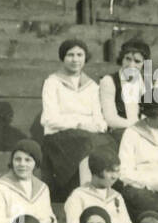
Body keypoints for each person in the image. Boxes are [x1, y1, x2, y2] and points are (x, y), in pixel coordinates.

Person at [40, 39, 111, 199]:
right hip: (58, 137)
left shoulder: (92, 86)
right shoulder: (52, 82)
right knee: (86, 142)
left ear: (85, 58)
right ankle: (87, 194)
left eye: (80, 55)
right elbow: (49, 118)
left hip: (86, 135)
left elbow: (99, 121)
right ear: (63, 58)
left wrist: (94, 125)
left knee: (106, 142)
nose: (75, 59)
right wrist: (79, 123)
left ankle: (102, 194)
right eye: (70, 55)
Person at [98, 39, 150, 134]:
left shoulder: (145, 83)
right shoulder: (109, 81)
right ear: (122, 59)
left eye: (137, 61)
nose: (131, 65)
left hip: (142, 132)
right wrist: (138, 127)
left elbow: (149, 113)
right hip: (119, 131)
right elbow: (110, 119)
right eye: (128, 59)